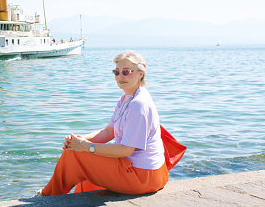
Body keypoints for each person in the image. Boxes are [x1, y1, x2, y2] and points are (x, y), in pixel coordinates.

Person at [38, 50, 169, 196]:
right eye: (116, 72)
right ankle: (55, 194)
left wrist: (87, 147)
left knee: (76, 154)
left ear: (140, 73)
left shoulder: (138, 104)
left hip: (143, 177)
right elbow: (109, 132)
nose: (120, 77)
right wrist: (81, 140)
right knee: (76, 150)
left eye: (126, 72)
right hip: (142, 171)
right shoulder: (126, 98)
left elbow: (126, 150)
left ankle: (47, 196)